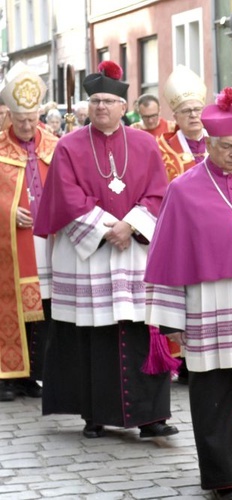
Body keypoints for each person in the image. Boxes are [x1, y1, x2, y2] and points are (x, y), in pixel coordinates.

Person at [33, 60, 177, 440]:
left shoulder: (145, 144)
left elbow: (159, 192)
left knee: (140, 331)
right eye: (95, 101)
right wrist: (105, 228)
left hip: (133, 252)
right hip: (89, 258)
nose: (101, 107)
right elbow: (64, 196)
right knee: (92, 334)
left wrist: (131, 225)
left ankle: (151, 418)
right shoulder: (68, 145)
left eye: (108, 101)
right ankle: (94, 413)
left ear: (121, 106)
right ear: (87, 105)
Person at [145, 87, 232, 500]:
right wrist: (171, 321)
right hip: (205, 305)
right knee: (213, 395)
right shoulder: (184, 189)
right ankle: (222, 477)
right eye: (226, 147)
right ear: (210, 144)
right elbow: (167, 255)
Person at [0, 62, 58, 402]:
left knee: (45, 310)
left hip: (48, 242)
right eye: (19, 119)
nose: (25, 125)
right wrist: (7, 212)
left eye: (31, 118)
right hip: (9, 243)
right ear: (9, 115)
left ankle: (34, 374)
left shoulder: (54, 145)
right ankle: (8, 376)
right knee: (12, 306)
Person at [156, 65, 208, 181]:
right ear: (176, 117)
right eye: (186, 111)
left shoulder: (218, 142)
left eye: (197, 109)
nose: (193, 115)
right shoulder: (163, 149)